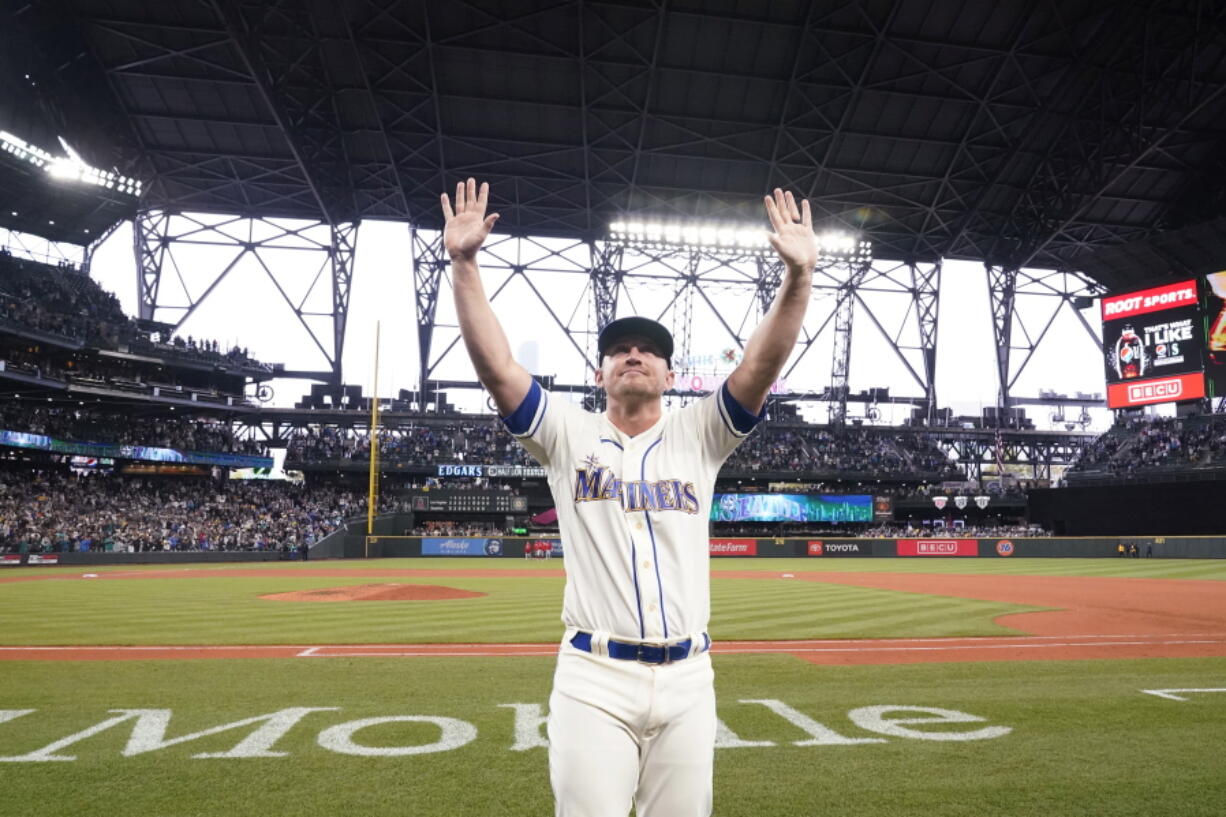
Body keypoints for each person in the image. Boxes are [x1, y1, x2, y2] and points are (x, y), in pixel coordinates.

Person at [441, 178, 818, 817]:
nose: (634, 355)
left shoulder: (702, 432)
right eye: (619, 350)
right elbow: (497, 367)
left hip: (689, 677)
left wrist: (801, 275)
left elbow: (760, 365)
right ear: (600, 374)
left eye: (648, 351)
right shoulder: (565, 432)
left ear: (671, 376)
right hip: (594, 676)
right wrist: (464, 263)